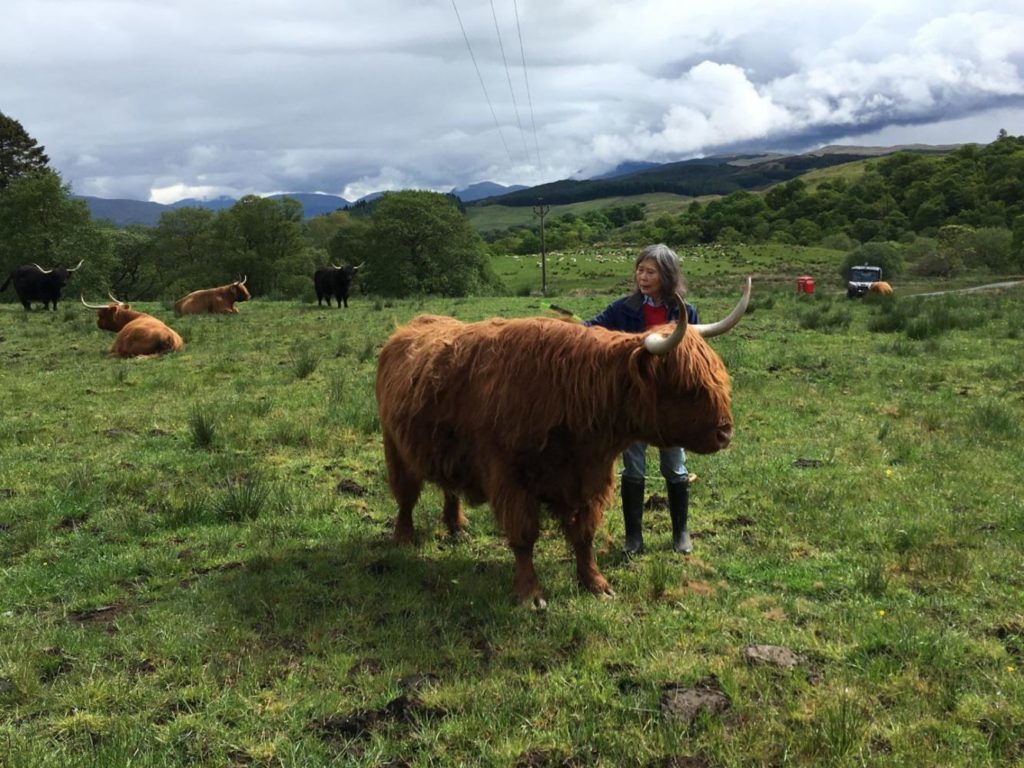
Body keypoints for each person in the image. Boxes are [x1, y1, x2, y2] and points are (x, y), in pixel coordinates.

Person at [585, 243, 698, 555]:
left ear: (667, 275)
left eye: (650, 271)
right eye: (640, 269)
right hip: (633, 403)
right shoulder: (623, 308)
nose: (642, 276)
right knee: (633, 467)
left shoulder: (685, 312)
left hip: (668, 403)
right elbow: (591, 328)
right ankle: (633, 537)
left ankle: (681, 533)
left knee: (675, 465)